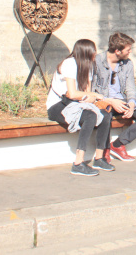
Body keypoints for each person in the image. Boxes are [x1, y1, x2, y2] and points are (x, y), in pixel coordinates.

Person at [46, 39, 114, 176]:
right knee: (90, 116)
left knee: (105, 115)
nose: (95, 54)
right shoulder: (69, 64)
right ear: (86, 52)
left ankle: (99, 158)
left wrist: (90, 97)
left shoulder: (88, 65)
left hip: (75, 103)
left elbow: (85, 91)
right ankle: (78, 162)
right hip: (58, 105)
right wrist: (91, 96)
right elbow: (72, 93)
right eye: (93, 51)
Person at [92, 32, 136, 163]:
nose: (130, 52)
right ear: (117, 51)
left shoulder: (127, 64)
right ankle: (104, 149)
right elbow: (91, 89)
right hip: (103, 100)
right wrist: (108, 101)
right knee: (105, 114)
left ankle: (118, 144)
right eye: (128, 49)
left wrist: (132, 103)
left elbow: (130, 87)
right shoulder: (97, 61)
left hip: (122, 100)